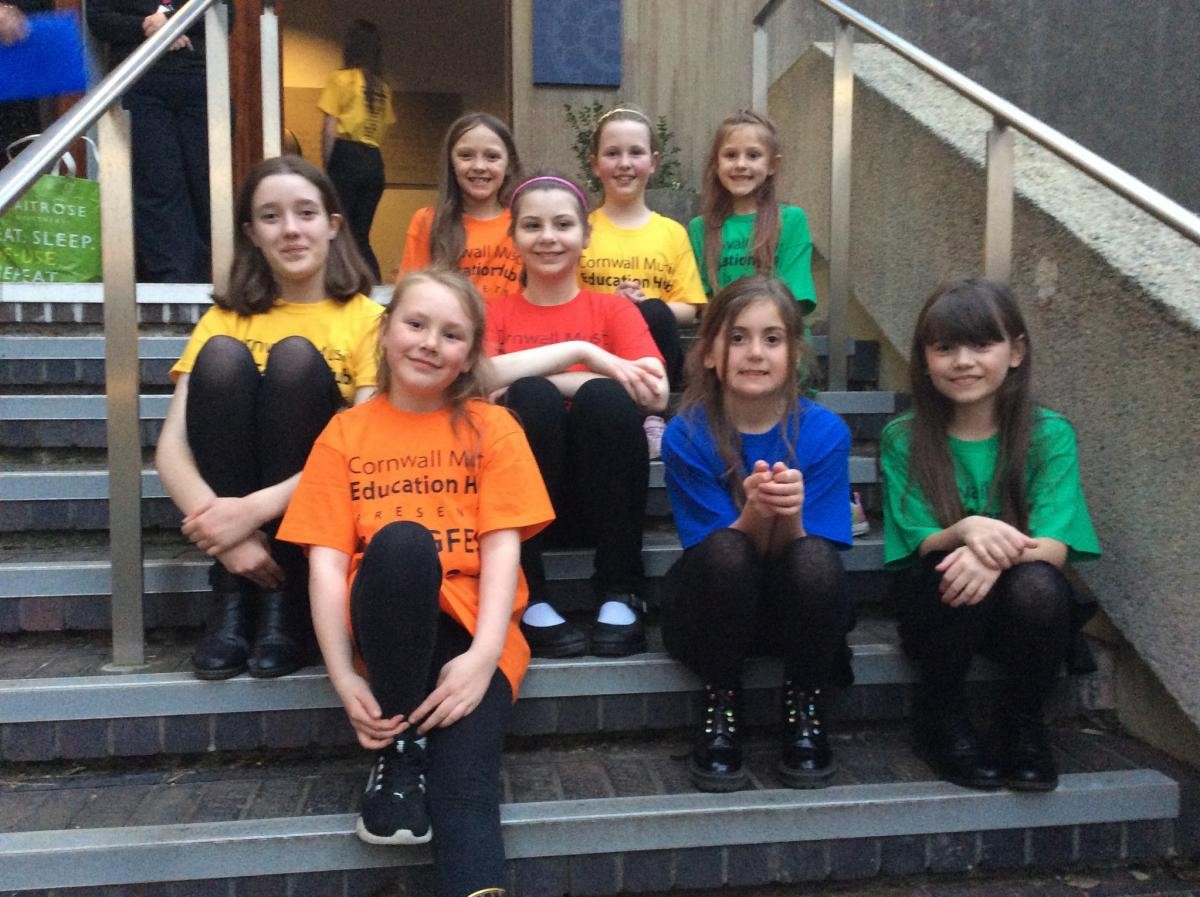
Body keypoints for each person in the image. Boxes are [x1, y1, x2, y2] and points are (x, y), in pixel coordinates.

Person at [277, 269, 554, 897]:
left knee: (466, 781)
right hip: (388, 623)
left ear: (470, 355)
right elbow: (325, 566)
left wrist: (483, 657)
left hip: (474, 630)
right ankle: (398, 744)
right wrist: (344, 676)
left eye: (452, 334)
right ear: (385, 330)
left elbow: (502, 547)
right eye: (416, 324)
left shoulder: (494, 427)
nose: (430, 343)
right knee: (403, 542)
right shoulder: (345, 433)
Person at [155, 155, 382, 681]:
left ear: (333, 225)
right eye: (271, 216)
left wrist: (252, 512)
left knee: (295, 359)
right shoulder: (223, 319)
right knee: (222, 358)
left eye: (306, 213)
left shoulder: (368, 320)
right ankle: (233, 597)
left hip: (312, 526)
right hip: (232, 531)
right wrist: (228, 537)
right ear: (252, 234)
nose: (291, 230)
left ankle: (288, 602)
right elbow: (172, 450)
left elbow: (362, 448)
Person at [880, 276, 1101, 792]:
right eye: (945, 348)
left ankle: (1023, 723)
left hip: (1020, 614)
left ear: (1016, 352)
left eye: (982, 345)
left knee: (1040, 583)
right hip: (939, 609)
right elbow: (921, 540)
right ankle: (940, 716)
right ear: (925, 359)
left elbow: (1054, 546)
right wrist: (965, 530)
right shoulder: (903, 437)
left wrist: (988, 554)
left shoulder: (1048, 434)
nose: (963, 361)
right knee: (952, 564)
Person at [660, 275, 853, 792]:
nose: (755, 353)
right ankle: (721, 703)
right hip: (714, 606)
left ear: (795, 354)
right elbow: (710, 551)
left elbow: (815, 547)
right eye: (738, 337)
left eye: (772, 339)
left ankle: (805, 704)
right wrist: (754, 514)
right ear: (709, 353)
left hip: (796, 608)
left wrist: (787, 513)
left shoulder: (826, 432)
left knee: (815, 559)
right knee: (728, 548)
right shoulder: (687, 432)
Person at [486, 173, 669, 658]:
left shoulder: (613, 311)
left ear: (586, 235)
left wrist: (558, 376)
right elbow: (475, 382)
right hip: (524, 508)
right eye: (532, 225)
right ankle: (527, 594)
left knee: (601, 399)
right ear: (513, 237)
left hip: (604, 500)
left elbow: (655, 393)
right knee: (533, 399)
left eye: (563, 224)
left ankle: (621, 589)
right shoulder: (494, 313)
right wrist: (586, 354)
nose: (548, 237)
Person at [578, 106, 706, 457]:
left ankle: (653, 417)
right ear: (595, 164)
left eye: (635, 152)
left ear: (654, 162)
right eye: (612, 153)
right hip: (599, 350)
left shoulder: (672, 233)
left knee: (652, 310)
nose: (624, 163)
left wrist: (644, 305)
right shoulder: (580, 230)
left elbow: (690, 308)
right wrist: (614, 305)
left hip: (654, 353)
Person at [87, 0, 210, 283]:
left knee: (204, 182)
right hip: (139, 81)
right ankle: (171, 279)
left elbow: (224, 14)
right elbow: (100, 19)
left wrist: (170, 21)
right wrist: (147, 27)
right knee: (157, 183)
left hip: (199, 81)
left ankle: (203, 278)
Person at [687, 110, 815, 317]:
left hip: (779, 332)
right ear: (716, 164)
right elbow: (699, 299)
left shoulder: (791, 220)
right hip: (725, 332)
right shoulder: (700, 227)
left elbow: (795, 298)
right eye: (730, 155)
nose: (741, 164)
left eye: (753, 155)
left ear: (772, 165)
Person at [398, 112, 522, 301]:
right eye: (466, 156)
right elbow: (410, 296)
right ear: (451, 162)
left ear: (509, 164)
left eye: (492, 156)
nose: (479, 166)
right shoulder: (427, 221)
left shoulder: (525, 223)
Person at [319, 19, 394, 282]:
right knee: (361, 234)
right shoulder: (382, 88)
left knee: (336, 228)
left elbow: (330, 128)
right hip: (374, 160)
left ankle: (337, 283)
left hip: (346, 156)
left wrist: (328, 166)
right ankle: (373, 284)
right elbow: (384, 129)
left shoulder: (341, 79)